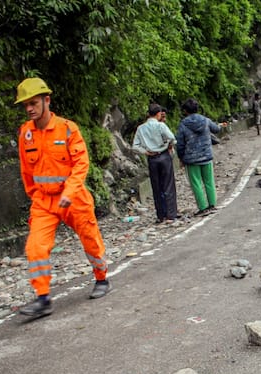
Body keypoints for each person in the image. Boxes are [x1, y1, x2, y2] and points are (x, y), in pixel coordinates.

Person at [13, 77, 110, 317]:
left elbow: (81, 164)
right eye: (25, 105)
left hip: (74, 198)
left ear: (47, 100)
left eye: (33, 103)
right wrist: (35, 196)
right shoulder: (25, 133)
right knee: (35, 247)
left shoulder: (68, 129)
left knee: (90, 239)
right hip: (43, 202)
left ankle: (102, 279)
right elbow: (26, 171)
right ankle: (43, 298)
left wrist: (68, 192)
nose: (29, 109)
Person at [176, 98, 224, 216]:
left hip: (191, 159)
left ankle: (202, 207)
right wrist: (220, 125)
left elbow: (180, 143)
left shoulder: (183, 124)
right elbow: (216, 129)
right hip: (206, 156)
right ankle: (212, 204)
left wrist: (181, 158)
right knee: (209, 181)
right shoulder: (205, 120)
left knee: (196, 183)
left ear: (185, 111)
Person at [132, 103, 178, 224]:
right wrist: (169, 145)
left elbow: (135, 146)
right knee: (168, 185)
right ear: (158, 114)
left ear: (148, 114)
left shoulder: (141, 128)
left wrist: (145, 151)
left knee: (156, 187)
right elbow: (172, 138)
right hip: (164, 156)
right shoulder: (161, 125)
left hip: (152, 158)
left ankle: (160, 215)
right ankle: (171, 214)